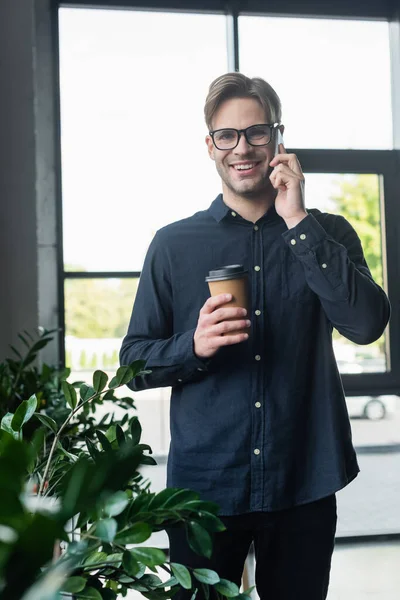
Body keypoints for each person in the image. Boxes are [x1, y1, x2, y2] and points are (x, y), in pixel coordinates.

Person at [120, 72, 390, 600]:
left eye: (257, 133)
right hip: (206, 489)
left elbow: (366, 325)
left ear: (278, 138)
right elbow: (134, 362)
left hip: (304, 477)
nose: (243, 147)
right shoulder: (173, 245)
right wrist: (191, 346)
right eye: (228, 135)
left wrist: (297, 220)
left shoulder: (327, 232)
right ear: (210, 145)